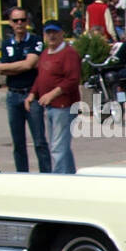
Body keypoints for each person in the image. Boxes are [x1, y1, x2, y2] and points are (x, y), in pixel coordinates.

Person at [0, 7, 51, 173]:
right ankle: (22, 175)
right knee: (18, 142)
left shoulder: (35, 41)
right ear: (10, 23)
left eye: (22, 20)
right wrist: (20, 66)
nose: (19, 23)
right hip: (13, 95)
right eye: (15, 21)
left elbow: (30, 64)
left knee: (39, 140)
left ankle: (47, 175)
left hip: (31, 95)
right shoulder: (6, 44)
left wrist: (10, 67)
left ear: (27, 22)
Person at [26, 21, 82, 175]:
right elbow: (41, 77)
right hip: (50, 107)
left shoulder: (69, 53)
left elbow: (72, 79)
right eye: (48, 32)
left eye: (55, 32)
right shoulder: (45, 53)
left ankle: (58, 180)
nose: (51, 36)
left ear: (62, 33)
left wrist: (52, 94)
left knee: (58, 147)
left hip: (64, 106)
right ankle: (69, 176)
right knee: (60, 146)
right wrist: (32, 93)